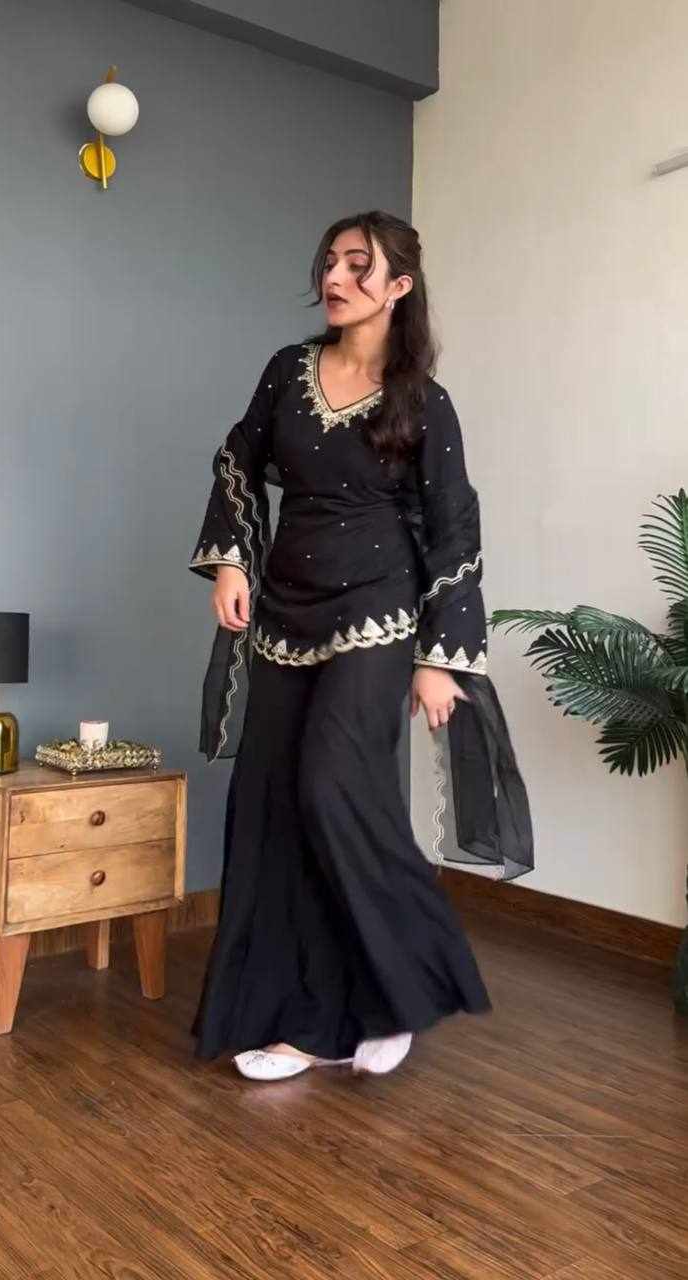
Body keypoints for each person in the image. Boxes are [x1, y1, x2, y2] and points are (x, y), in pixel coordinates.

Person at [188, 210, 533, 1081]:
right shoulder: (287, 370)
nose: (335, 279)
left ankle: (400, 991)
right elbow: (238, 460)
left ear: (399, 287)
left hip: (379, 613)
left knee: (333, 786)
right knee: (274, 805)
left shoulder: (425, 402)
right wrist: (232, 559)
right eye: (331, 263)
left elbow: (454, 528)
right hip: (285, 612)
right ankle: (310, 1024)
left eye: (358, 266)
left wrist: (439, 657)